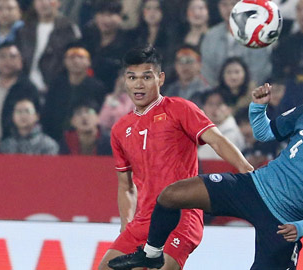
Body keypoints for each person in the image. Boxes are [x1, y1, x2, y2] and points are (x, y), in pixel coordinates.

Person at [108, 62, 303, 270]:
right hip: (253, 186)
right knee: (169, 196)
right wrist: (258, 109)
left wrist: (301, 228)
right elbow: (265, 133)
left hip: (285, 221)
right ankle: (152, 254)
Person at [98, 46, 253, 270]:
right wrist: (126, 225)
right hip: (144, 220)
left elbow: (217, 141)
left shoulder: (180, 109)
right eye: (132, 77)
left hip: (182, 214)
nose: (138, 84)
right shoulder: (120, 129)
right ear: (125, 81)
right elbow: (126, 186)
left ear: (160, 78)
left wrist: (248, 172)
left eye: (146, 77)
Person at [41, 44, 107, 141]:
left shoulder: (97, 87)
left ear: (88, 62)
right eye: (71, 57)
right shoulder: (57, 85)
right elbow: (48, 112)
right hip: (55, 136)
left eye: (80, 57)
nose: (76, 61)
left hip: (85, 137)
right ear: (65, 62)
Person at [15, 0, 81, 96]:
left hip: (56, 90)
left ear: (58, 3)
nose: (44, 3)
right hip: (25, 88)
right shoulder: (24, 30)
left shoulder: (69, 29)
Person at [200, 0, 272, 87]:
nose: (229, 9)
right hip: (218, 92)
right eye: (224, 5)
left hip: (251, 92)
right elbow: (207, 69)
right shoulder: (211, 35)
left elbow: (260, 69)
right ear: (219, 7)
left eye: (233, 4)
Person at [0, 42, 39, 147]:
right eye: (2, 56)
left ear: (21, 61)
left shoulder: (28, 89)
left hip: (11, 147)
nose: (7, 61)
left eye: (13, 57)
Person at [197, 90, 245, 160]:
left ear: (229, 109)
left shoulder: (232, 134)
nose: (214, 108)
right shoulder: (201, 131)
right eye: (210, 104)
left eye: (219, 104)